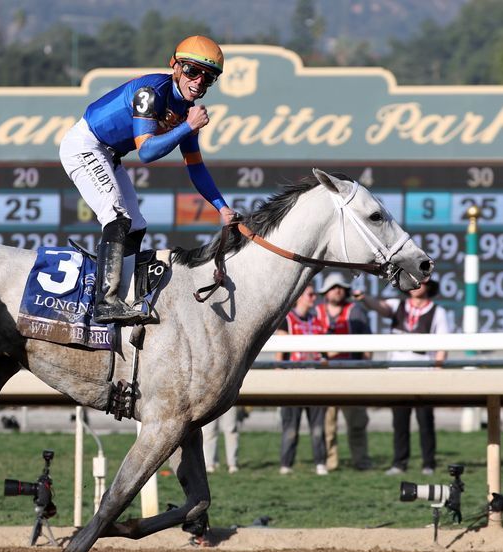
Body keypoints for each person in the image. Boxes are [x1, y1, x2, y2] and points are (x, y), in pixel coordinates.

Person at [59, 35, 236, 324]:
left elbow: (196, 167)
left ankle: (124, 293)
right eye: (192, 71)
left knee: (136, 225)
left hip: (109, 153)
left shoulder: (187, 113)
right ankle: (105, 302)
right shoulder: (150, 92)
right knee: (116, 217)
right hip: (85, 145)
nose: (199, 82)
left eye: (209, 77)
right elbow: (146, 152)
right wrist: (188, 127)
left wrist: (222, 207)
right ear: (175, 67)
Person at [354, 278, 448, 476]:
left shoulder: (437, 311)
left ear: (430, 287)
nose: (416, 287)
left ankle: (428, 463)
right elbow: (380, 307)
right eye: (413, 283)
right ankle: (399, 462)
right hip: (398, 370)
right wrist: (364, 298)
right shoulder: (399, 305)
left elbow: (443, 344)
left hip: (424, 369)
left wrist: (438, 371)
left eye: (421, 283)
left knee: (425, 420)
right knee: (399, 420)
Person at [315, 271, 373, 471]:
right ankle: (331, 462)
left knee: (357, 423)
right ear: (326, 292)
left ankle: (362, 461)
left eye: (340, 287)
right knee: (327, 425)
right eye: (333, 287)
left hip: (352, 373)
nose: (337, 291)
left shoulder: (356, 311)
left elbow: (367, 344)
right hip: (325, 374)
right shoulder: (317, 313)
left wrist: (366, 368)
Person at [275, 283, 328, 475]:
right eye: (310, 294)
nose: (314, 298)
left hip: (314, 379)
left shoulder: (317, 320)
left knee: (318, 427)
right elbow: (280, 353)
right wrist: (279, 375)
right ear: (299, 296)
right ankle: (286, 464)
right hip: (293, 380)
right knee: (290, 427)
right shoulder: (286, 319)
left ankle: (321, 463)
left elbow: (325, 351)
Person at [202, 407, 241, 473]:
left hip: (230, 399)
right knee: (209, 431)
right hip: (210, 398)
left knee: (231, 429)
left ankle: (232, 464)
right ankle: (210, 464)